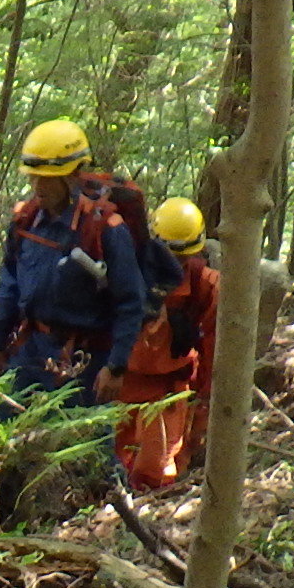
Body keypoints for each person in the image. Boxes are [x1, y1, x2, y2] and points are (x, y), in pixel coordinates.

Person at [0, 118, 147, 403]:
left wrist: (115, 367)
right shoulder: (25, 221)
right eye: (33, 177)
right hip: (30, 349)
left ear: (71, 178)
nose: (38, 186)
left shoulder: (105, 230)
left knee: (84, 442)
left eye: (47, 179)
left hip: (85, 358)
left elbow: (130, 302)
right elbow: (10, 283)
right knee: (4, 428)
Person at [118, 196, 218, 491]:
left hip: (168, 390)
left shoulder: (205, 286)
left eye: (182, 257)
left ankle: (145, 525)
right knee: (107, 465)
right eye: (169, 255)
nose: (175, 264)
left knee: (155, 473)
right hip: (120, 382)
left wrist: (204, 400)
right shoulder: (128, 274)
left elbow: (212, 348)